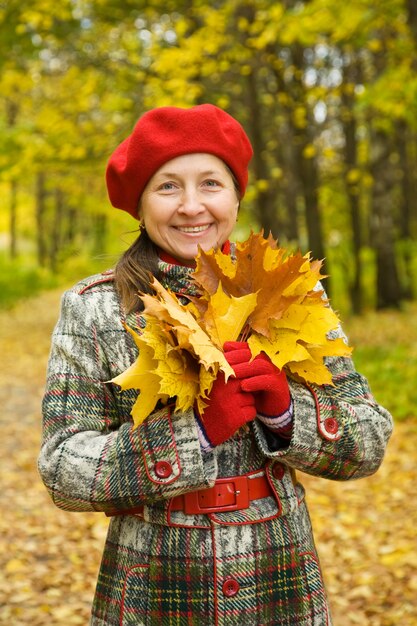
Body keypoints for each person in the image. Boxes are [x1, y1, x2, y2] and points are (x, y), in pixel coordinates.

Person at [38, 104, 393, 626]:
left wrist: (286, 411)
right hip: (153, 580)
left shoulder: (291, 292)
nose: (190, 206)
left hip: (278, 572)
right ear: (139, 205)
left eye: (210, 183)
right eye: (167, 187)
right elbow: (62, 466)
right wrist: (193, 434)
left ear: (235, 196)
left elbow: (369, 444)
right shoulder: (97, 308)